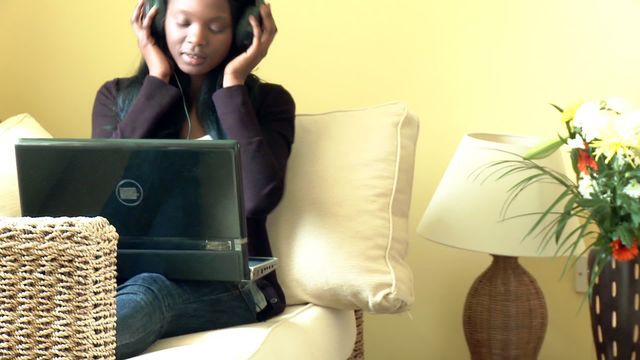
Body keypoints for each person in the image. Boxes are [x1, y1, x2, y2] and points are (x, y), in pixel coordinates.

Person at [91, 0, 295, 357]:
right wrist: (157, 81)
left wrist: (234, 85)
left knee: (151, 293)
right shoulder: (117, 98)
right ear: (156, 23)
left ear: (243, 31)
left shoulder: (269, 102)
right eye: (183, 23)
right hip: (124, 279)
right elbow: (101, 202)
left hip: (235, 286)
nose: (196, 38)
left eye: (215, 27)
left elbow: (258, 198)